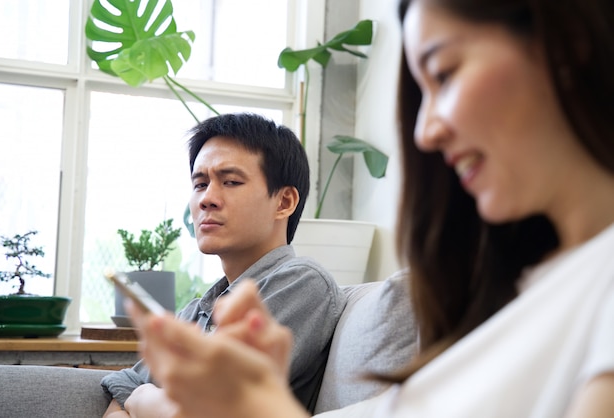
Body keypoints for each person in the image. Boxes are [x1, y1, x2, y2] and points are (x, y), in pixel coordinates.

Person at [126, 0, 614, 417]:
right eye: (199, 183)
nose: (425, 131)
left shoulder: (600, 289)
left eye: (444, 73)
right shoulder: (512, 295)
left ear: (566, 44)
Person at [101, 113, 346, 417]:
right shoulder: (196, 311)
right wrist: (143, 397)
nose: (207, 199)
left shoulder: (303, 284)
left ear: (284, 202)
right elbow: (122, 388)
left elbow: (206, 408)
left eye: (230, 182)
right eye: (200, 184)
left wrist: (139, 399)